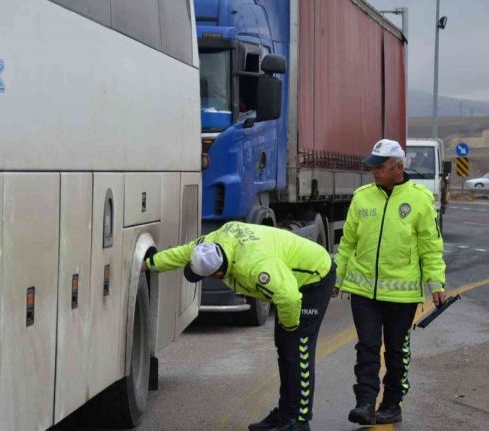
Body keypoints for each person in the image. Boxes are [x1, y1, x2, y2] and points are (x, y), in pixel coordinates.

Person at [142, 222, 335, 431]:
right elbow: (181, 254)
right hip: (289, 278)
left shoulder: (254, 267)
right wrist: (149, 263)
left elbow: (289, 297)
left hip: (314, 276)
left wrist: (290, 328)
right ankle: (286, 413)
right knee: (285, 347)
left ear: (217, 274)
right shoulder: (211, 244)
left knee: (297, 348)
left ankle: (298, 420)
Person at [334, 139, 446, 426]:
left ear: (398, 168)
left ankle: (392, 403)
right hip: (363, 292)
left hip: (402, 295)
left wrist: (436, 284)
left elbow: (430, 246)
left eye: (379, 166)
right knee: (367, 347)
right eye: (371, 164)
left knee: (396, 350)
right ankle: (365, 403)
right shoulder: (361, 197)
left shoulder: (419, 199)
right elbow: (347, 243)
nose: (372, 170)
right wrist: (337, 278)